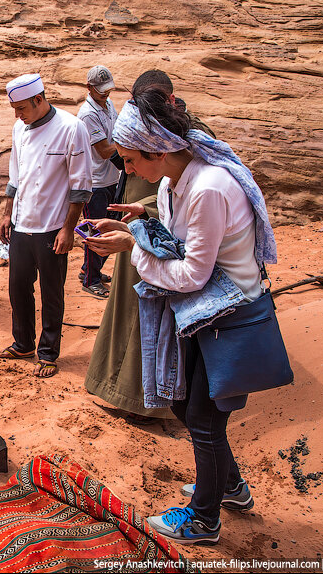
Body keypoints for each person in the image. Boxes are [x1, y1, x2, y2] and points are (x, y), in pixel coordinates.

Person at [84, 86, 276, 544]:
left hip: (224, 318)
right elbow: (173, 236)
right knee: (183, 405)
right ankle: (229, 486)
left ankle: (205, 519)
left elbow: (192, 271)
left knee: (204, 418)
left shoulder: (208, 188)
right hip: (199, 313)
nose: (128, 169)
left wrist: (133, 246)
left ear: (158, 150)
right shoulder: (176, 181)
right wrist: (134, 225)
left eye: (131, 160)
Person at [84, 69, 216, 421]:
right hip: (141, 235)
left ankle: (148, 404)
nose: (129, 167)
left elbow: (188, 212)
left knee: (155, 322)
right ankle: (122, 392)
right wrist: (140, 215)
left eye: (132, 160)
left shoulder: (191, 150)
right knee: (129, 313)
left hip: (162, 250)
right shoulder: (141, 138)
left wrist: (143, 230)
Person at [0, 73, 93, 378]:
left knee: (52, 293)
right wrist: (6, 213)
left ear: (39, 99)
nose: (17, 114)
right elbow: (16, 175)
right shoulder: (19, 128)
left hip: (53, 226)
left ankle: (48, 352)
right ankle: (23, 342)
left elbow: (80, 186)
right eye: (14, 108)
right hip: (22, 224)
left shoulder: (71, 128)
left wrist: (68, 230)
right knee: (18, 288)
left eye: (21, 107)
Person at [76, 65, 122, 298]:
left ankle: (89, 270)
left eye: (108, 89)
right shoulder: (88, 114)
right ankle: (91, 279)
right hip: (95, 182)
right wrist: (127, 144)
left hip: (111, 178)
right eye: (100, 90)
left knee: (110, 226)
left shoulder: (108, 104)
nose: (105, 93)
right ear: (89, 88)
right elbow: (104, 150)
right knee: (96, 231)